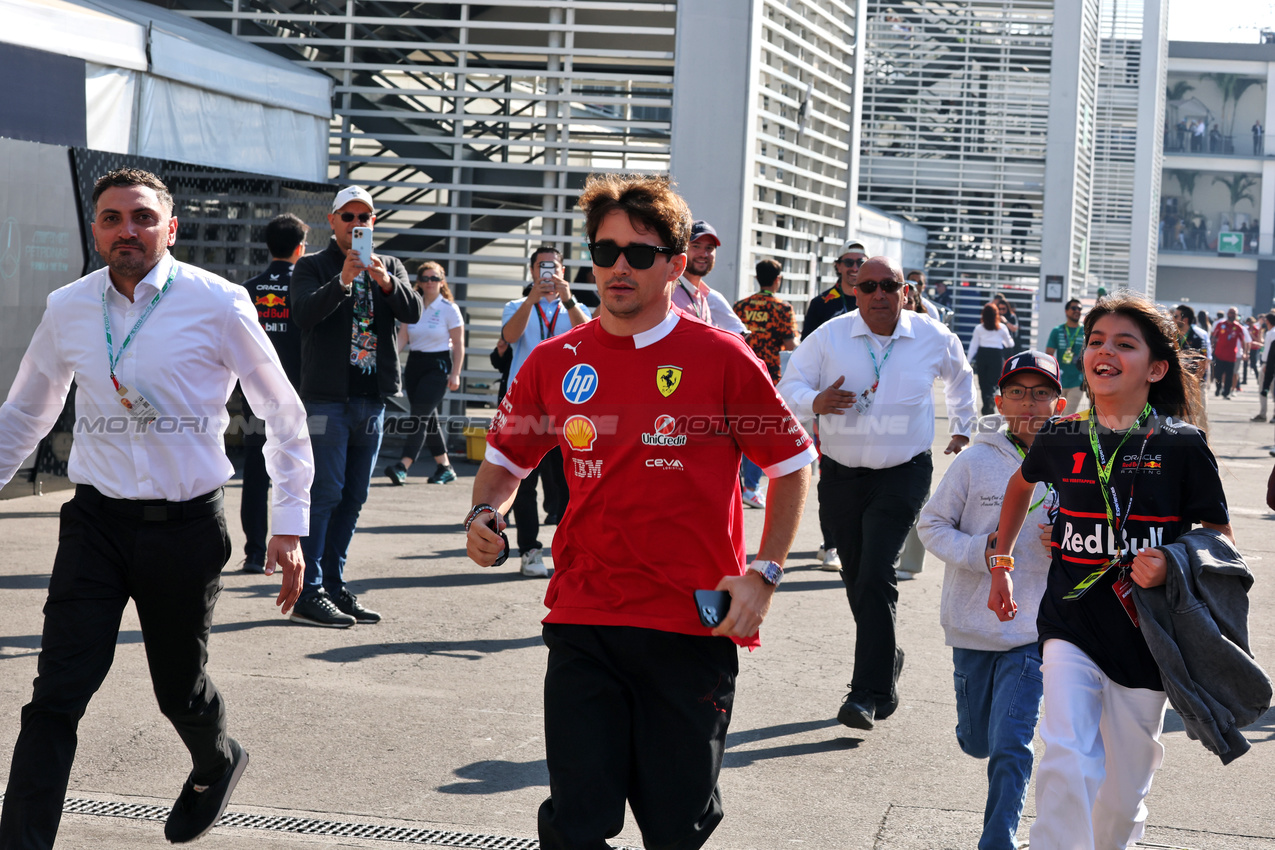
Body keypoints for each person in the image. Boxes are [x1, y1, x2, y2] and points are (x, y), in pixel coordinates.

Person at [465, 172, 815, 850]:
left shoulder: (721, 357)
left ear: (675, 266)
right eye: (603, 252)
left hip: (690, 627)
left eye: (639, 253)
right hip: (583, 618)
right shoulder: (552, 361)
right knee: (575, 826)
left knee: (674, 829)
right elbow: (507, 461)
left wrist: (763, 574)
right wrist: (484, 514)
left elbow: (792, 467)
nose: (618, 267)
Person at [0, 168, 313, 847]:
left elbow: (282, 414)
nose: (127, 230)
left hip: (185, 529)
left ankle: (215, 761)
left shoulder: (218, 302)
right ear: (96, 230)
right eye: (112, 218)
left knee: (179, 690)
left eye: (142, 217)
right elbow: (26, 411)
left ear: (170, 229)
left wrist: (288, 524)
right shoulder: (69, 307)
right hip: (95, 526)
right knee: (56, 695)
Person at [988, 293, 1233, 849]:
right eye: (1097, 341)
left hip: (1150, 637)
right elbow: (1020, 486)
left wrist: (1171, 564)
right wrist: (1001, 564)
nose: (1105, 351)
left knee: (1122, 799)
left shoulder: (1184, 446)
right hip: (1069, 623)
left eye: (1125, 344)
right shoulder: (1061, 435)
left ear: (1157, 368)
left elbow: (1220, 541)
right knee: (1067, 754)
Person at [778, 256, 977, 730]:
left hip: (902, 473)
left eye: (889, 285)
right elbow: (789, 388)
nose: (878, 294)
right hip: (842, 476)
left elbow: (961, 378)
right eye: (868, 286)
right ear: (854, 291)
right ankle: (887, 656)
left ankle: (866, 694)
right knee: (857, 579)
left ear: (904, 290)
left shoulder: (931, 334)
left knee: (874, 574)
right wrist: (815, 402)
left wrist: (964, 429)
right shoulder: (829, 336)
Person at [917, 351, 1066, 850]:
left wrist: (1070, 540)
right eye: (1018, 392)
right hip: (972, 626)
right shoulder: (974, 461)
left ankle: (996, 840)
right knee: (977, 740)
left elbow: (1103, 533)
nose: (1030, 403)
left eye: (1041, 393)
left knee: (1011, 743)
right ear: (999, 401)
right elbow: (931, 525)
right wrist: (981, 551)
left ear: (1059, 403)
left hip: (1034, 631)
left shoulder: (1076, 465)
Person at [289, 185, 423, 628]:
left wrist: (385, 281)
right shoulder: (312, 265)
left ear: (374, 222)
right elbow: (303, 314)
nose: (356, 224)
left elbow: (414, 311)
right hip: (327, 400)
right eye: (348, 217)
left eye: (364, 217)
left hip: (372, 399)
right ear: (332, 221)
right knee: (324, 494)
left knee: (354, 496)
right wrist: (343, 280)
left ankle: (333, 584)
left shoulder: (393, 266)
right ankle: (309, 591)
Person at [500, 246, 590, 577]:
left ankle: (571, 551)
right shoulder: (515, 306)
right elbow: (510, 337)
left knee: (569, 483)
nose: (547, 273)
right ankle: (529, 550)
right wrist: (530, 301)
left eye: (552, 267)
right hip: (526, 407)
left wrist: (568, 301)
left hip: (568, 408)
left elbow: (590, 335)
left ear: (563, 271)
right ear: (532, 272)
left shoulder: (576, 307)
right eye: (540, 267)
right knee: (524, 483)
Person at [238, 213, 307, 573]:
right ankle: (295, 544)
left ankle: (253, 552)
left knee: (254, 474)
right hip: (299, 394)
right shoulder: (308, 287)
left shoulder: (249, 289)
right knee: (298, 468)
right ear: (300, 247)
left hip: (255, 395)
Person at [800, 240, 867, 573]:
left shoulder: (878, 300)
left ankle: (856, 537)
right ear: (839, 266)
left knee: (867, 472)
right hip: (832, 403)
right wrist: (813, 400)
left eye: (861, 262)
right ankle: (832, 543)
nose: (855, 268)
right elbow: (806, 356)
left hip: (873, 405)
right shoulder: (822, 304)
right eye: (849, 262)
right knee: (833, 474)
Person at [385, 262, 464, 486]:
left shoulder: (449, 309)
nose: (430, 282)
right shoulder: (413, 305)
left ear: (442, 281)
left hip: (437, 365)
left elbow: (459, 344)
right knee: (427, 418)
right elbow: (402, 337)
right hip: (415, 364)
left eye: (435, 278)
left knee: (418, 417)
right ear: (418, 282)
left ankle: (403, 465)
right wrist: (389, 359)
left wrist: (455, 373)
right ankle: (445, 467)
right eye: (426, 278)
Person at [733, 258, 798, 509]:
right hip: (768, 377)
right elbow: (791, 345)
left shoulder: (741, 306)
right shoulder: (783, 309)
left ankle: (740, 485)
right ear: (777, 279)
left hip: (740, 375)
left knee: (738, 431)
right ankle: (750, 487)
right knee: (760, 432)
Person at [673, 219, 748, 334]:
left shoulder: (706, 295)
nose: (704, 254)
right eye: (696, 246)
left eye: (709, 248)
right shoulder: (668, 291)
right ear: (682, 249)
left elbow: (739, 330)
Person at [969, 303, 1015, 415]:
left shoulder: (979, 328)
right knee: (994, 383)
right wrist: (1002, 340)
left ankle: (986, 405)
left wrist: (968, 361)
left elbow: (973, 346)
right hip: (996, 355)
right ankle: (991, 399)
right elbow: (1010, 343)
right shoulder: (1001, 328)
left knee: (983, 383)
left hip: (982, 355)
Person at [1045, 298, 1086, 413]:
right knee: (1055, 414)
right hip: (1059, 381)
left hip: (1077, 381)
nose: (1077, 311)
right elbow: (1049, 355)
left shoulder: (1086, 332)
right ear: (1066, 311)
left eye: (1079, 309)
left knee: (1068, 416)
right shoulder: (1057, 331)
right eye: (1074, 308)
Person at [1209, 307, 1249, 399]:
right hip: (1219, 354)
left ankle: (1226, 393)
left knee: (1229, 376)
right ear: (1228, 314)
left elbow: (1243, 341)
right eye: (1231, 313)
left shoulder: (1238, 327)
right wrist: (1212, 348)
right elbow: (1214, 337)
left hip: (1231, 356)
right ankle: (1218, 388)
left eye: (1234, 313)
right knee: (1218, 374)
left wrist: (1245, 352)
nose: (1232, 315)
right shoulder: (1220, 325)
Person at [1254, 313, 1275, 422]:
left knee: (1264, 388)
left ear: (1267, 321)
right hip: (1269, 363)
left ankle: (1263, 414)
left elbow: (1270, 352)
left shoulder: (1272, 333)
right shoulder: (1270, 333)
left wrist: (1266, 364)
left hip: (1269, 364)